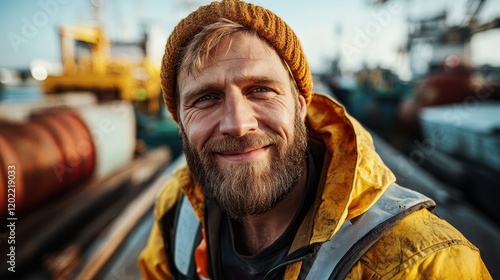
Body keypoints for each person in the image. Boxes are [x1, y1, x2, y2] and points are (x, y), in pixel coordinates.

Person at [138, 0, 492, 279]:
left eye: (260, 90)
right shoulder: (179, 207)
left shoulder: (424, 262)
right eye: (205, 98)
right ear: (180, 122)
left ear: (301, 107)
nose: (238, 124)